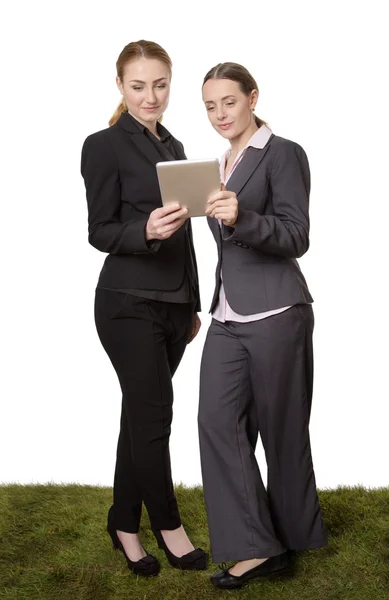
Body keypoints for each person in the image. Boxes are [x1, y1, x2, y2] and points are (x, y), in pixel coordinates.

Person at [198, 62, 328, 590]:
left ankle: (298, 534)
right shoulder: (218, 164)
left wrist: (241, 218)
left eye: (228, 101)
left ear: (252, 97)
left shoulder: (283, 153)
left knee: (281, 431)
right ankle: (255, 545)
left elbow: (297, 235)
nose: (219, 114)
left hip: (277, 312)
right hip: (227, 316)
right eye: (209, 106)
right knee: (216, 423)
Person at [80, 40, 206, 577]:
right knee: (155, 418)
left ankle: (123, 522)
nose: (150, 96)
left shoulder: (176, 145)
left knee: (140, 417)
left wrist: (193, 305)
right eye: (138, 86)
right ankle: (169, 528)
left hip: (173, 307)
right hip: (126, 302)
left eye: (160, 85)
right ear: (120, 86)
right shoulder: (103, 145)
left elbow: (189, 237)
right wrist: (144, 230)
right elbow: (99, 230)